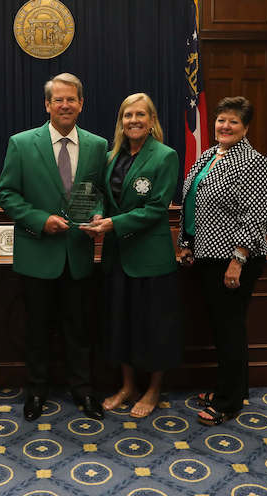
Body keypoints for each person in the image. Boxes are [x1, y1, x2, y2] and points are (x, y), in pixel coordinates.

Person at [0, 72, 108, 421]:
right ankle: (36, 392)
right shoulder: (21, 143)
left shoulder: (98, 145)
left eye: (70, 99)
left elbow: (99, 193)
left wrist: (98, 216)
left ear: (81, 104)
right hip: (37, 253)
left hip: (77, 254)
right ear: (47, 104)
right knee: (36, 331)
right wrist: (38, 220)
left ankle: (83, 390)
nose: (64, 105)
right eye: (57, 99)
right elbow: (7, 194)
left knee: (79, 330)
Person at [177, 96, 267, 426]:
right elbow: (193, 203)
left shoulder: (253, 162)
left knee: (229, 329)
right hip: (207, 254)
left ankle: (228, 402)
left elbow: (256, 215)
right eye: (221, 120)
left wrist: (238, 258)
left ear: (246, 127)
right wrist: (187, 243)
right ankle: (233, 388)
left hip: (234, 259)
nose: (225, 126)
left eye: (233, 121)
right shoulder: (208, 155)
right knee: (224, 328)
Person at [82, 93, 181, 419]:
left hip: (150, 259)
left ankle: (153, 389)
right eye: (127, 115)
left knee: (153, 327)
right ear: (121, 121)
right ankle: (128, 386)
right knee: (120, 324)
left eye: (140, 114)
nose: (133, 120)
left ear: (152, 120)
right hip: (117, 257)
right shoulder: (112, 157)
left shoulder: (165, 156)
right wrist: (98, 215)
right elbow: (100, 196)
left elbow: (156, 209)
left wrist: (113, 224)